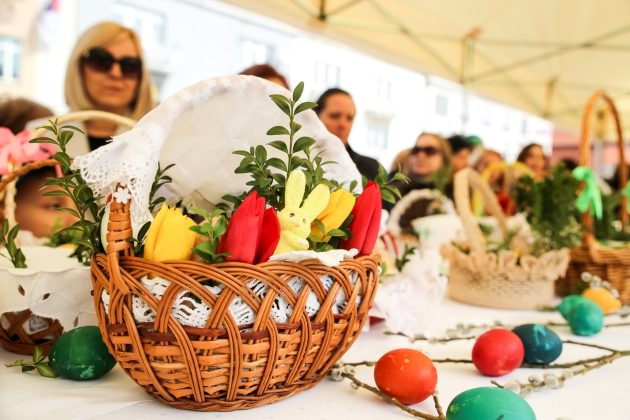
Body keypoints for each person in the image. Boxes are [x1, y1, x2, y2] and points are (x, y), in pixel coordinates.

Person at [63, 21, 155, 155]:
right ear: (79, 66)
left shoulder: (157, 143)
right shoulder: (38, 138)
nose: (115, 73)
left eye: (129, 66)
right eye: (100, 61)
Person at [315, 88, 380, 180]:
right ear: (316, 116)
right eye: (335, 115)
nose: (343, 124)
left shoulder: (371, 169)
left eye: (349, 118)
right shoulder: (295, 160)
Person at [385, 132, 452, 211]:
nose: (420, 155)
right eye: (416, 150)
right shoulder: (393, 193)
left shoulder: (453, 192)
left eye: (429, 150)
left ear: (444, 157)